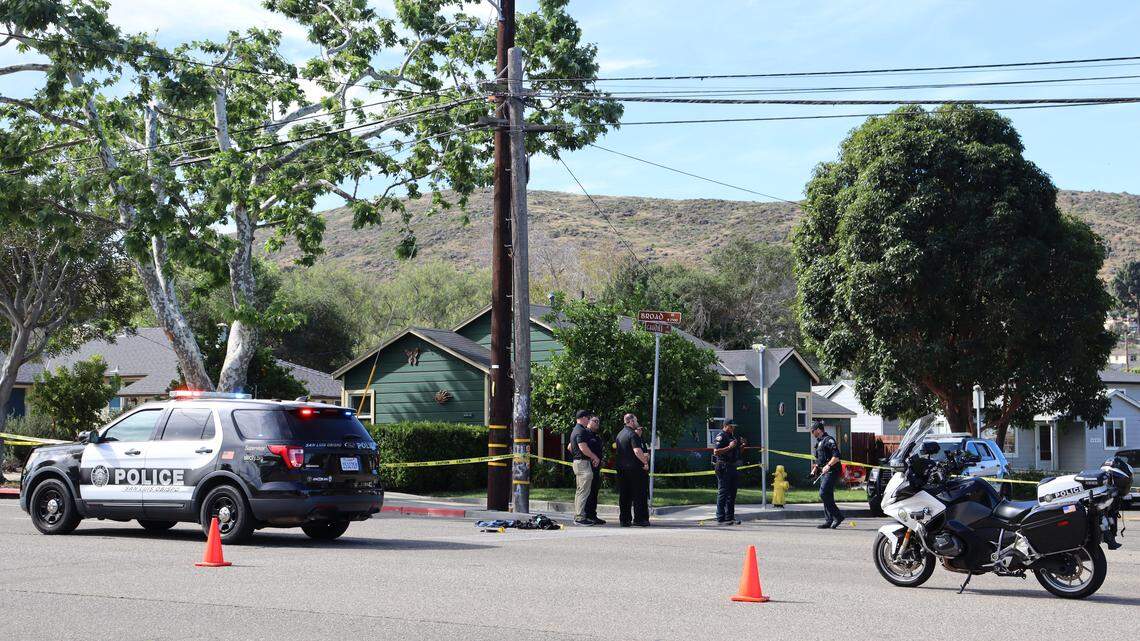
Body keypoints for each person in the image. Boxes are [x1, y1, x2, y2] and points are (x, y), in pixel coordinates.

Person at [615, 413, 650, 527]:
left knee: (624, 495)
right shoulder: (632, 434)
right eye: (636, 420)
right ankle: (639, 519)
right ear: (631, 421)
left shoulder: (620, 434)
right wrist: (645, 462)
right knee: (638, 494)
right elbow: (637, 451)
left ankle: (624, 520)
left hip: (622, 469)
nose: (637, 422)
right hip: (634, 470)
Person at [569, 410, 602, 526]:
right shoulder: (581, 430)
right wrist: (594, 457)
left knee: (581, 491)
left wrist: (576, 455)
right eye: (588, 418)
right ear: (583, 418)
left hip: (579, 462)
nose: (588, 420)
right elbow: (583, 447)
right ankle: (580, 517)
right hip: (583, 463)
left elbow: (570, 447)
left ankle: (579, 515)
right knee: (583, 491)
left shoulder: (576, 430)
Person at [810, 420, 845, 529]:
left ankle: (838, 516)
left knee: (823, 493)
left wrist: (828, 465)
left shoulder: (829, 440)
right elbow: (819, 459)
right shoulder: (819, 442)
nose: (812, 433)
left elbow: (836, 456)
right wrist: (815, 469)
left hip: (832, 470)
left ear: (818, 430)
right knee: (827, 495)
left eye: (813, 431)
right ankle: (829, 520)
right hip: (824, 472)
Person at [711, 422, 745, 524]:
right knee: (723, 492)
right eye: (731, 426)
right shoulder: (721, 436)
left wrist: (742, 446)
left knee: (732, 493)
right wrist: (729, 447)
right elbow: (716, 452)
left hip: (732, 466)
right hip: (723, 466)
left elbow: (737, 453)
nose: (733, 428)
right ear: (725, 426)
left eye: (733, 427)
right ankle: (720, 517)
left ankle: (729, 517)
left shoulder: (732, 437)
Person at [583, 416, 606, 525]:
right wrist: (587, 458)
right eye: (595, 421)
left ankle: (593, 515)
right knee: (588, 492)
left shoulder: (596, 436)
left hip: (596, 467)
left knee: (594, 491)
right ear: (588, 421)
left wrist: (600, 460)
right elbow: (571, 447)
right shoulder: (585, 433)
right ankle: (586, 515)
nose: (597, 423)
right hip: (588, 466)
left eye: (598, 421)